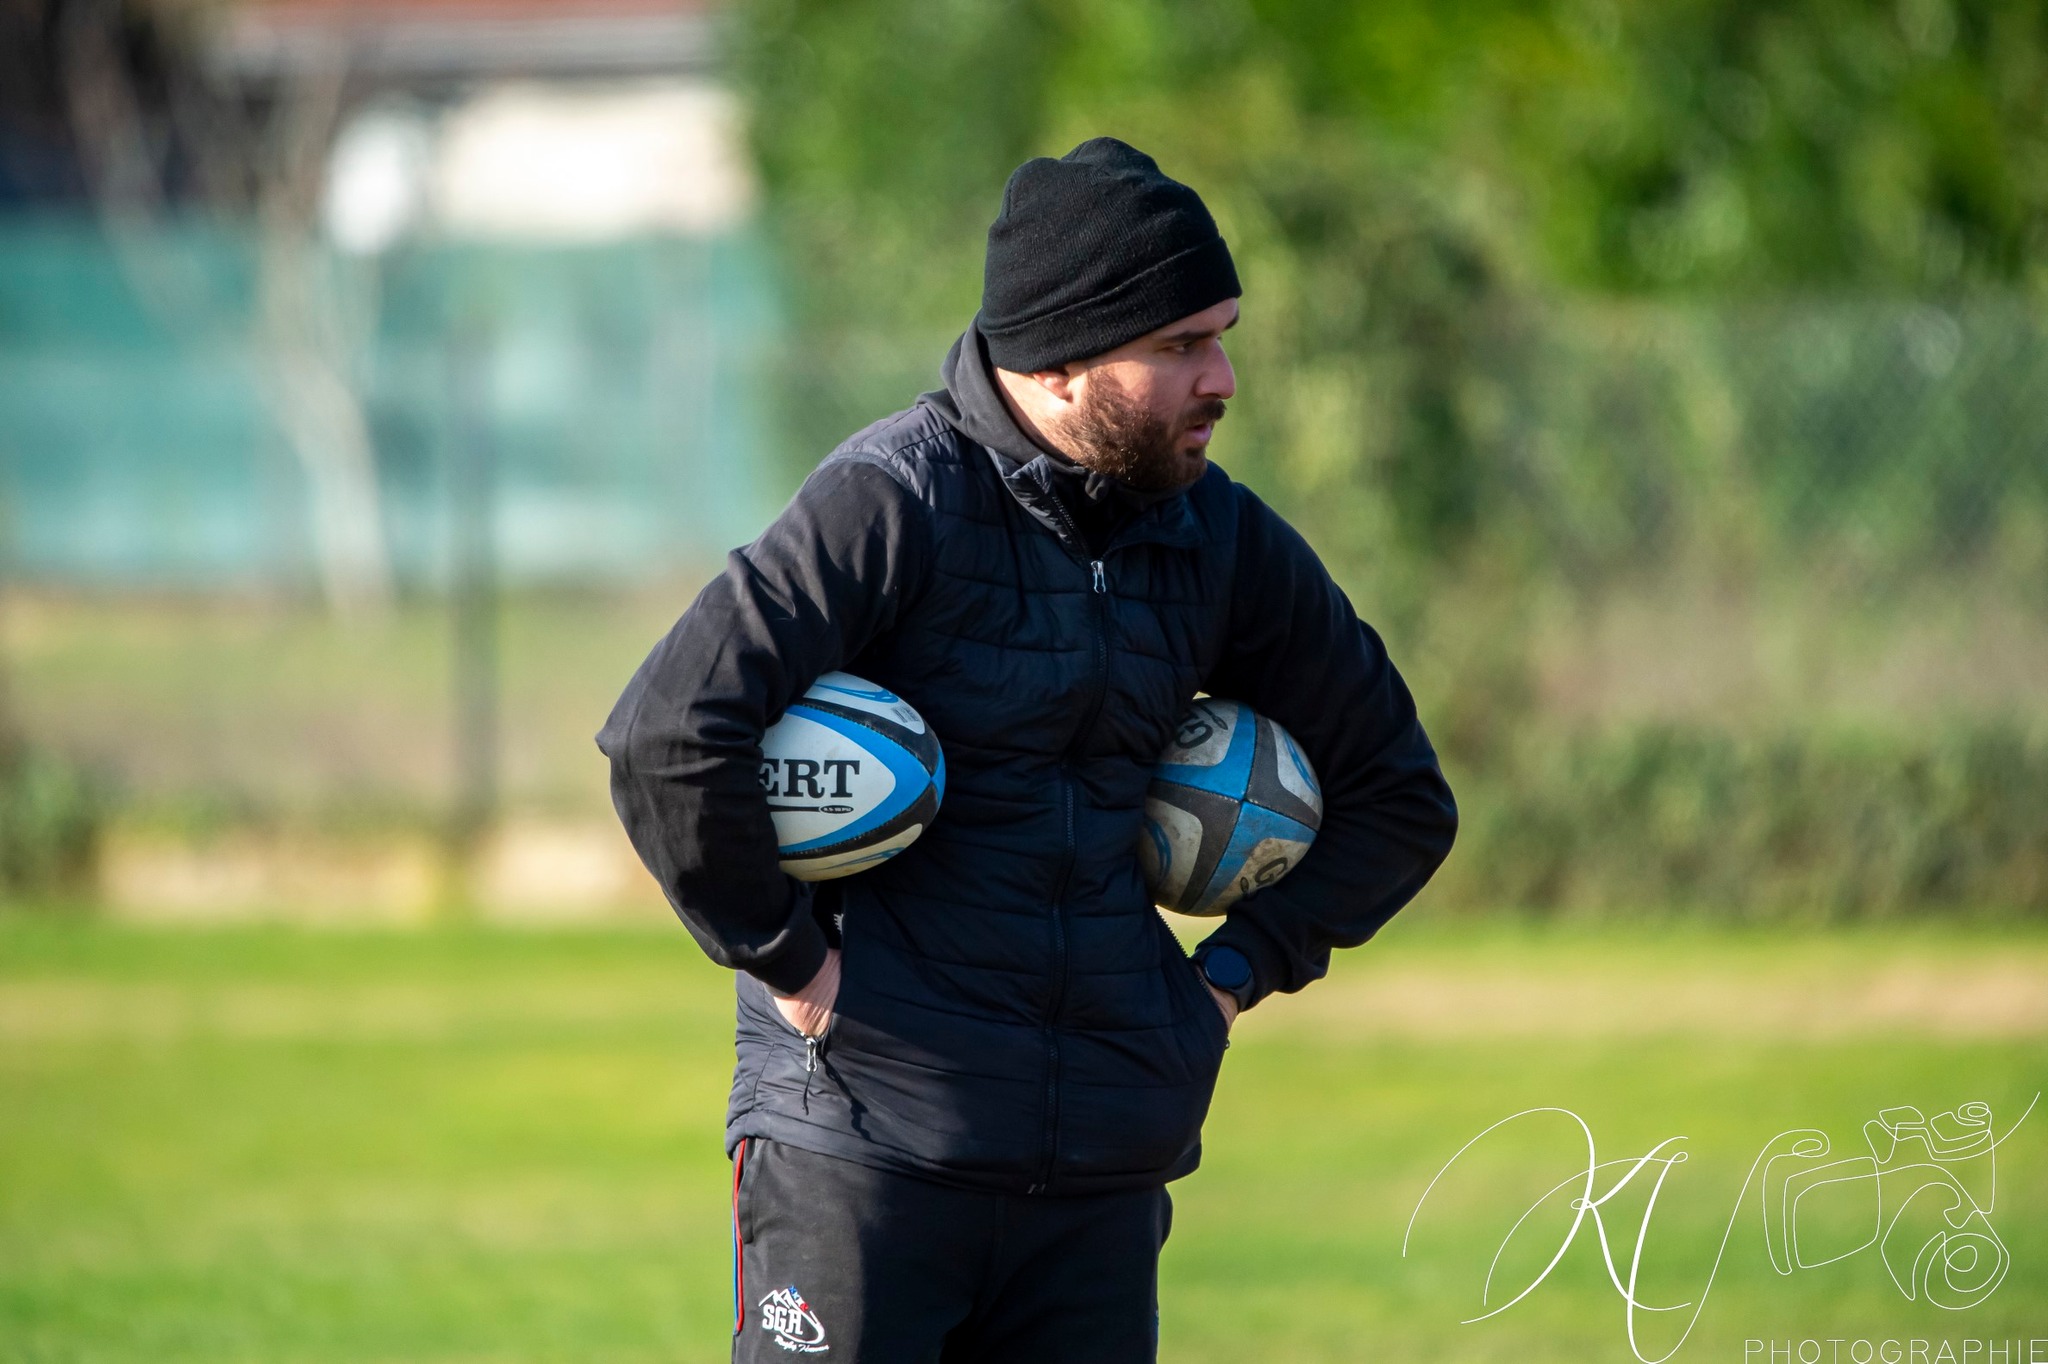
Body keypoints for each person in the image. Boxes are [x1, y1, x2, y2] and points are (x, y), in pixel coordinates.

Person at [597, 137, 1457, 1363]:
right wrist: (794, 962)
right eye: (1176, 347)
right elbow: (669, 734)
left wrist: (1224, 981)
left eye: (1221, 334)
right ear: (1056, 360)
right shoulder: (891, 501)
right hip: (864, 1153)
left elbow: (1399, 794)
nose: (1220, 377)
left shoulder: (1215, 539)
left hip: (1099, 1173)